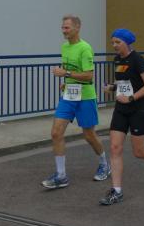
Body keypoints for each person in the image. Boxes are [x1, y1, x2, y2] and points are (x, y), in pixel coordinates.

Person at [99, 29, 144, 205]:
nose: (114, 45)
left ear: (127, 43)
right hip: (121, 109)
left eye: (118, 42)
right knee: (115, 148)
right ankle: (117, 191)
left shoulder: (138, 59)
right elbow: (125, 83)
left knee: (139, 151)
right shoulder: (117, 60)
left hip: (139, 109)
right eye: (113, 42)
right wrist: (112, 88)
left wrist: (131, 98)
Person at [42, 15, 110, 190]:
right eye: (63, 27)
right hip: (69, 96)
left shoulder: (85, 48)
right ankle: (61, 176)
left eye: (67, 28)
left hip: (85, 97)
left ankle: (104, 164)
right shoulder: (65, 47)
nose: (63, 31)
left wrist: (65, 74)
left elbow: (89, 75)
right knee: (56, 133)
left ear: (77, 28)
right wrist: (67, 82)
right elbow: (69, 69)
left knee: (89, 135)